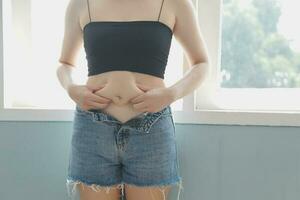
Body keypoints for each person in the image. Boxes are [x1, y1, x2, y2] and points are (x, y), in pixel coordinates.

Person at [56, 0, 210, 199]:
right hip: (93, 127)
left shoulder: (175, 3)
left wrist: (170, 94)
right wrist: (72, 89)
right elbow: (64, 64)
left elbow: (201, 63)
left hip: (151, 127)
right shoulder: (80, 4)